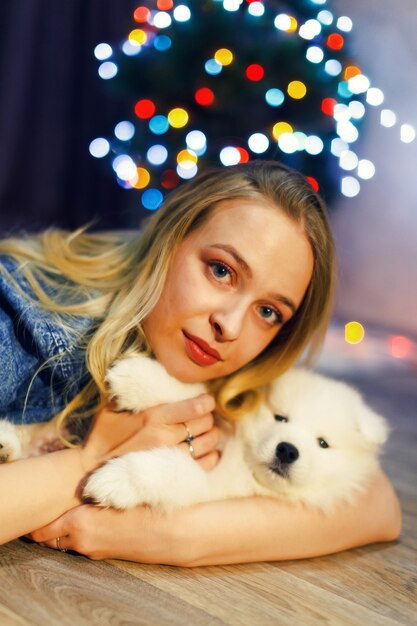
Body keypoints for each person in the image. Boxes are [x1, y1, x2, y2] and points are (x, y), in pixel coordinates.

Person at [0, 161, 401, 564]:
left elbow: (379, 506)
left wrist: (174, 537)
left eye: (268, 312)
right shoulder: (24, 329)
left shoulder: (239, 382)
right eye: (221, 270)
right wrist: (90, 461)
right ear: (171, 238)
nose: (229, 325)